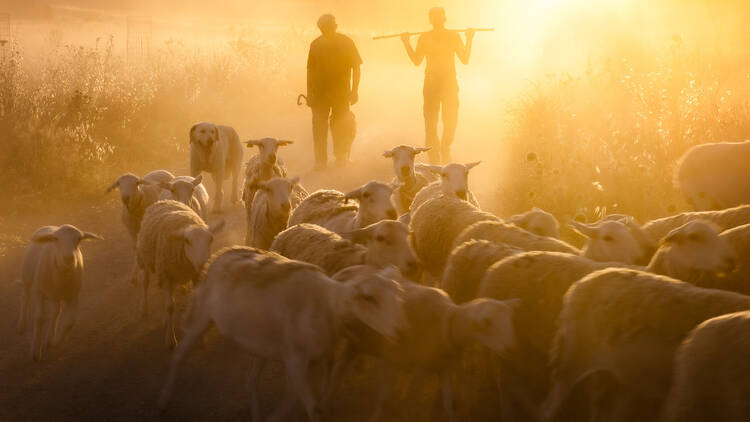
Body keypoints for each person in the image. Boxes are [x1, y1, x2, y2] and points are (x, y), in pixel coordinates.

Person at [401, 7, 474, 164]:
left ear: (443, 19)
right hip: (433, 86)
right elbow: (417, 60)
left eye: (438, 17)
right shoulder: (429, 37)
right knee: (433, 122)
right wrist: (406, 43)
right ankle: (435, 157)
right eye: (435, 18)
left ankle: (444, 150)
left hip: (447, 85)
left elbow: (465, 59)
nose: (437, 20)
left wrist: (469, 39)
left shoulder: (451, 36)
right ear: (432, 20)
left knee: (448, 121)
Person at [306, 14, 362, 170]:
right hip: (319, 94)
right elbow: (310, 70)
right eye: (324, 28)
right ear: (321, 29)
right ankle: (320, 162)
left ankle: (340, 158)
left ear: (335, 26)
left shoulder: (347, 42)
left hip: (341, 93)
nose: (327, 30)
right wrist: (309, 93)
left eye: (330, 27)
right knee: (319, 127)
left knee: (341, 126)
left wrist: (355, 90)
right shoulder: (315, 45)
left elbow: (356, 67)